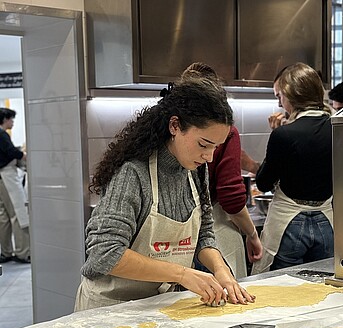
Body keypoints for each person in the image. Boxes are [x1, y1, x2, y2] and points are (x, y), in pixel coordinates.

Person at [75, 78, 256, 311]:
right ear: (174, 126)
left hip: (157, 305)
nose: (209, 157)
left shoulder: (196, 172)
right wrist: (181, 274)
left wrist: (221, 270)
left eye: (216, 147)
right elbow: (104, 253)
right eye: (203, 144)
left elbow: (204, 235)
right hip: (110, 308)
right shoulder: (133, 173)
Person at [180, 63, 263, 279]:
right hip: (214, 238)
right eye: (204, 146)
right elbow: (231, 196)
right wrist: (252, 234)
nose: (208, 156)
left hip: (176, 249)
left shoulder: (172, 129)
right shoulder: (226, 132)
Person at [251, 63, 334, 274]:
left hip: (290, 223)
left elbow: (263, 182)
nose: (280, 103)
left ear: (290, 94)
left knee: (282, 287)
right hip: (328, 221)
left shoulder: (284, 135)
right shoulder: (339, 127)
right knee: (323, 284)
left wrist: (277, 135)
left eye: (279, 96)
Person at [0, 107, 30, 264]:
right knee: (18, 214)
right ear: (5, 119)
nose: (12, 122)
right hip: (7, 177)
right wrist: (23, 155)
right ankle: (22, 253)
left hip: (1, 179)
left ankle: (5, 251)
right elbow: (12, 152)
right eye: (11, 119)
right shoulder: (2, 134)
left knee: (3, 217)